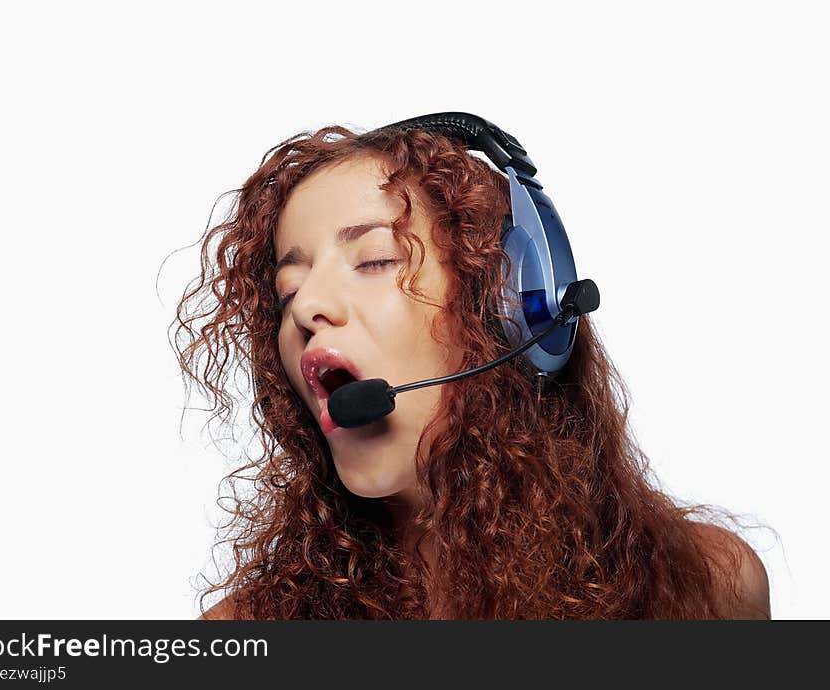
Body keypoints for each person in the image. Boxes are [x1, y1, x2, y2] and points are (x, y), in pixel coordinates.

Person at [174, 122, 771, 620]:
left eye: (376, 260)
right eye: (289, 289)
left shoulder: (712, 588)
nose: (306, 307)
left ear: (511, 307)